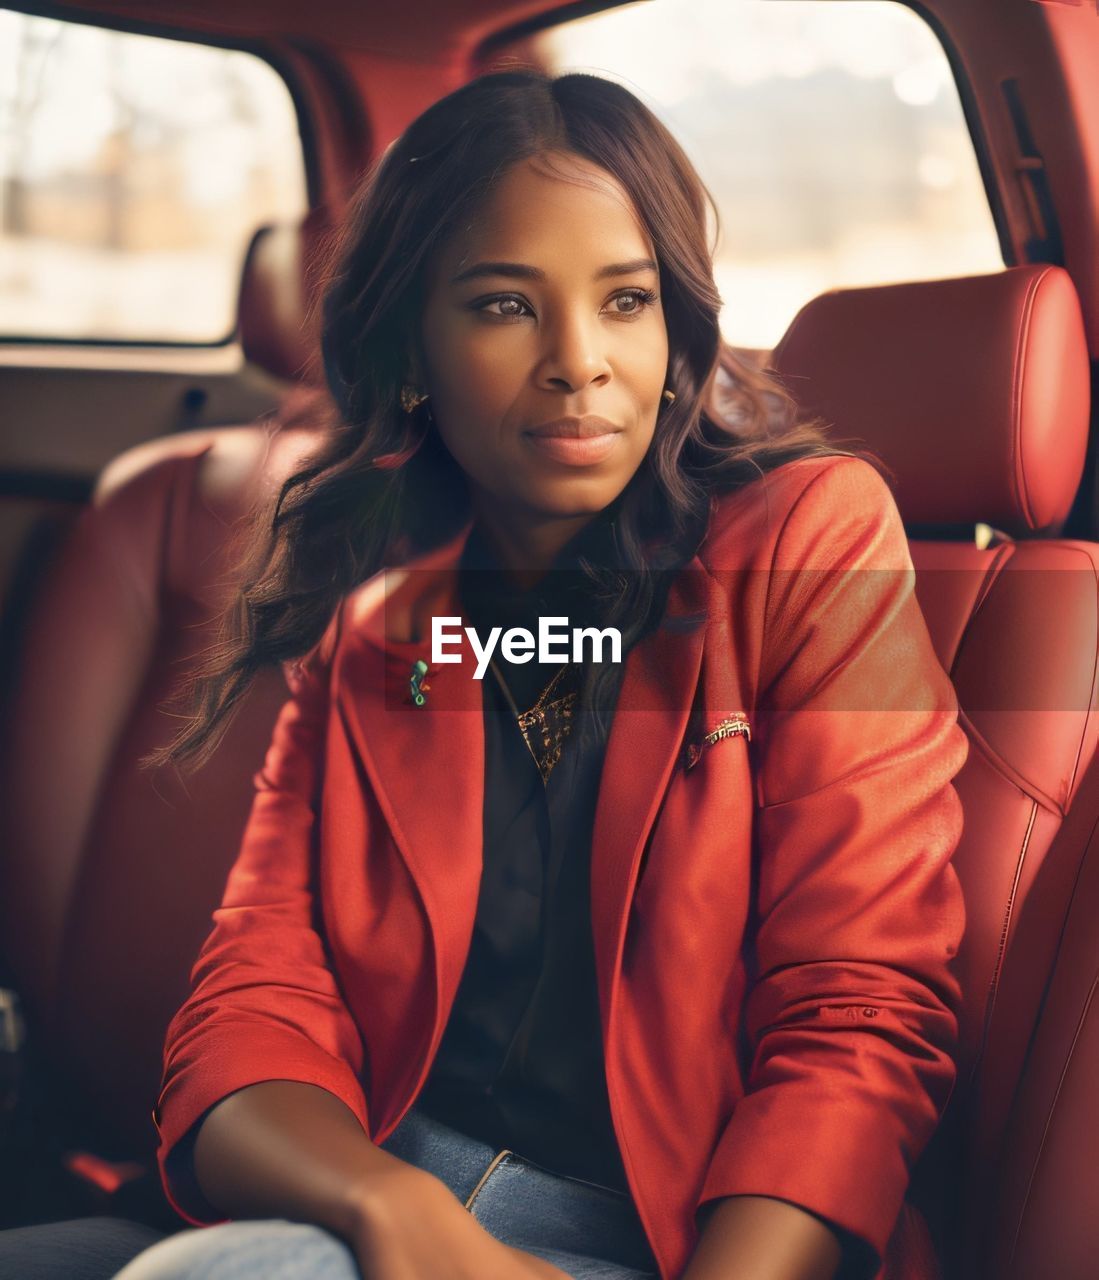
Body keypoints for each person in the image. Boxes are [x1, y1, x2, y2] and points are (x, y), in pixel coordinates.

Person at [0, 67, 967, 1280]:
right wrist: (387, 1205)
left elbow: (856, 1010)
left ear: (674, 336)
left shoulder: (808, 535)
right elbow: (249, 1008)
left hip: (685, 1237)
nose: (579, 362)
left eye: (625, 301)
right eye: (507, 305)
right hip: (369, 1186)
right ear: (412, 350)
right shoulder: (377, 631)